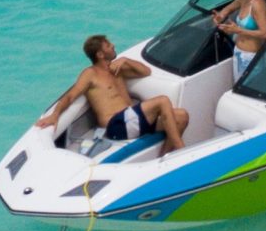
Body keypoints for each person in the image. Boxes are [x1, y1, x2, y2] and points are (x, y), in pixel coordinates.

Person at [36, 34, 188, 153]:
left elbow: (145, 71)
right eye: (108, 45)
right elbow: (70, 95)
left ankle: (164, 157)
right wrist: (55, 115)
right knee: (162, 101)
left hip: (132, 121)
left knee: (182, 117)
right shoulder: (90, 74)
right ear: (100, 54)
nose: (113, 45)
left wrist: (126, 60)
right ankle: (182, 151)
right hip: (115, 126)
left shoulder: (117, 69)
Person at [212, 0, 266, 77]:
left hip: (251, 57)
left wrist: (238, 30)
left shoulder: (258, 5)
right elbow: (228, 9)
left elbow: (265, 33)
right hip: (239, 53)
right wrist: (220, 16)